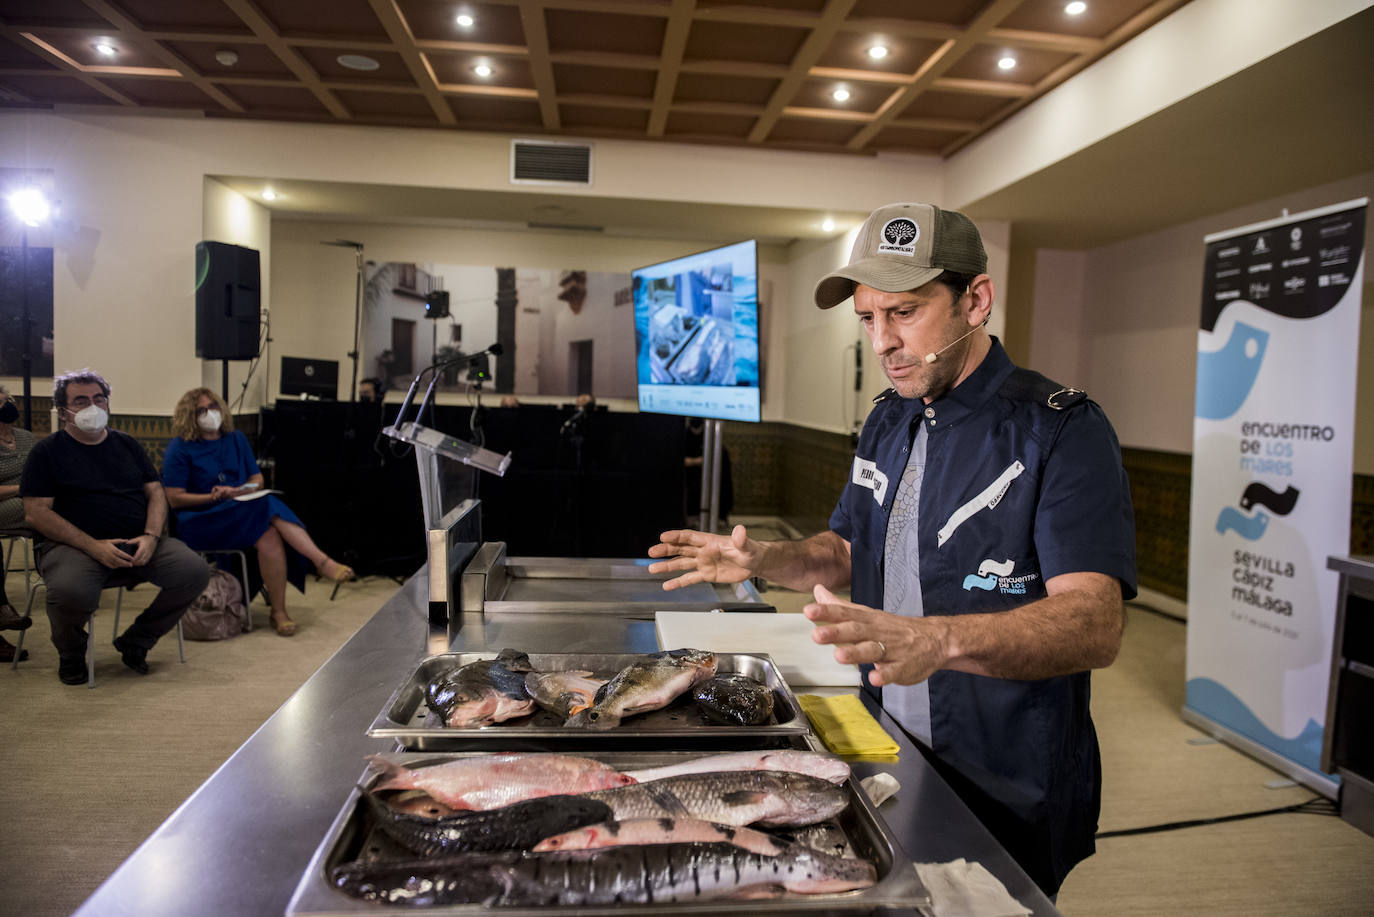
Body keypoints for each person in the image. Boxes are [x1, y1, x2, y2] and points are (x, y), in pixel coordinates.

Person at [649, 202, 1136, 897]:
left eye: (904, 312)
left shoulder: (1060, 430)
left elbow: (1094, 621)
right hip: (891, 744)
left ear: (975, 300)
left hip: (1007, 773)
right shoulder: (888, 418)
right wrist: (765, 559)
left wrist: (936, 639)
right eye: (869, 319)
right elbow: (848, 549)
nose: (883, 341)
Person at [21, 369, 211, 685]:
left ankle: (137, 640)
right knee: (70, 591)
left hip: (137, 542)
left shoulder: (126, 444)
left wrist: (151, 537)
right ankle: (71, 653)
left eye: (98, 399)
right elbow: (36, 513)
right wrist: (93, 546)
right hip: (72, 547)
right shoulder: (46, 452)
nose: (92, 407)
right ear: (63, 410)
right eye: (80, 401)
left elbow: (155, 493)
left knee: (193, 571)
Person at [161, 388, 354, 637]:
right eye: (202, 410)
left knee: (270, 533)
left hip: (240, 510)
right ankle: (321, 561)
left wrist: (238, 491)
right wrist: (213, 496)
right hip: (202, 520)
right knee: (267, 506)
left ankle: (279, 611)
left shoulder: (236, 439)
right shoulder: (180, 448)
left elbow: (257, 480)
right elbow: (175, 498)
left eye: (214, 407)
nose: (210, 414)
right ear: (190, 415)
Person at [0, 384, 38, 661]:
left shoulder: (26, 438)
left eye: (7, 401)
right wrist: (23, 489)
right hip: (6, 504)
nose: (7, 407)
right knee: (45, 509)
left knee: (60, 507)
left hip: (32, 500)